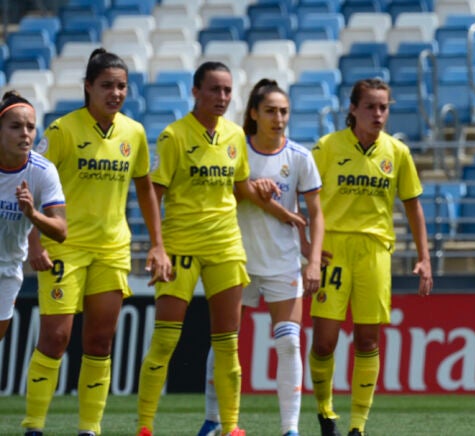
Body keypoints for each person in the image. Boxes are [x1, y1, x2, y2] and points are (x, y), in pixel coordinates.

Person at [135, 62, 302, 436]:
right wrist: (157, 246)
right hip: (181, 246)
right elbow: (152, 194)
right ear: (195, 92)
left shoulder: (234, 136)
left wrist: (282, 212)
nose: (222, 97)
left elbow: (241, 188)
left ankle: (230, 427)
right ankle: (144, 426)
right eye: (214, 89)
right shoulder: (174, 136)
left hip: (226, 245)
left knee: (227, 342)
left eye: (227, 90)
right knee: (165, 339)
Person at [22, 49, 172, 436]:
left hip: (112, 249)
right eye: (106, 85)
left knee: (101, 340)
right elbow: (29, 187)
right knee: (55, 338)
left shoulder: (134, 133)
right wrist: (35, 243)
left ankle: (90, 429)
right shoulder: (62, 131)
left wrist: (157, 244)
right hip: (64, 247)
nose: (115, 93)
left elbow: (145, 189)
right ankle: (33, 426)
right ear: (88, 87)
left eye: (121, 86)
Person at [196, 78, 326, 436]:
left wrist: (313, 261)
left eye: (284, 111)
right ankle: (214, 419)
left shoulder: (300, 157)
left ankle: (290, 429)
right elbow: (219, 196)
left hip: (283, 261)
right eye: (270, 111)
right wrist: (252, 190)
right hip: (236, 257)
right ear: (254, 113)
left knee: (288, 341)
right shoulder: (235, 149)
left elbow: (316, 214)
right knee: (225, 342)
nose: (278, 118)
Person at [309, 78, 433, 436]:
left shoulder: (397, 152)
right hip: (333, 250)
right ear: (353, 109)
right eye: (370, 107)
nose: (378, 114)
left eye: (383, 107)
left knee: (367, 340)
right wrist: (307, 247)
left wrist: (424, 258)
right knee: (324, 342)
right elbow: (307, 198)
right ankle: (325, 411)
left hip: (375, 252)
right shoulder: (327, 147)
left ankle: (357, 426)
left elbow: (413, 207)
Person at [0, 91, 67, 342]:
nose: (25, 133)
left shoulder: (43, 171)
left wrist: (32, 214)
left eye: (30, 127)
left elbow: (61, 230)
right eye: (15, 127)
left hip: (8, 270)